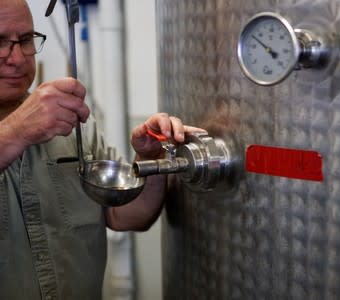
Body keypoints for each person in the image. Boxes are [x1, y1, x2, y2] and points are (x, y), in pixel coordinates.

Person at [0, 1, 200, 299]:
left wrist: (150, 158)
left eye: (26, 40)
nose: (16, 58)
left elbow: (127, 216)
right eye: (0, 42)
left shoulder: (71, 123)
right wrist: (16, 131)